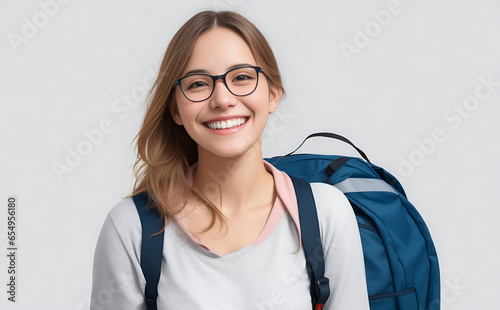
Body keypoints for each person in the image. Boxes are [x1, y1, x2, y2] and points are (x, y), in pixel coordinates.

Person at [91, 10, 369, 310]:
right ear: (175, 109)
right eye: (198, 83)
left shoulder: (326, 213)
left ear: (273, 94)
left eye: (242, 77)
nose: (222, 99)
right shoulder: (130, 228)